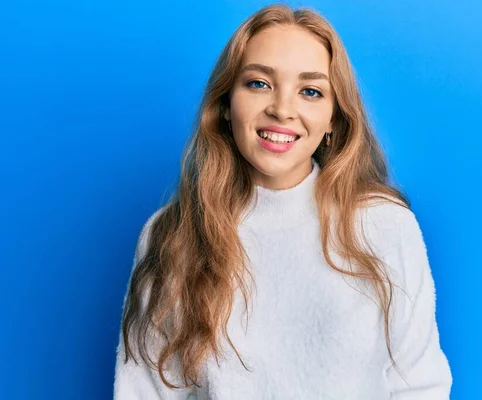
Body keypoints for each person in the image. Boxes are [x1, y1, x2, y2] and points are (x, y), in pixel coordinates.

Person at [113, 3, 452, 399]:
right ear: (225, 104)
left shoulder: (383, 225)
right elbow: (144, 391)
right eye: (259, 83)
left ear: (333, 120)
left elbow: (419, 384)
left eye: (310, 91)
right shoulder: (171, 235)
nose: (282, 109)